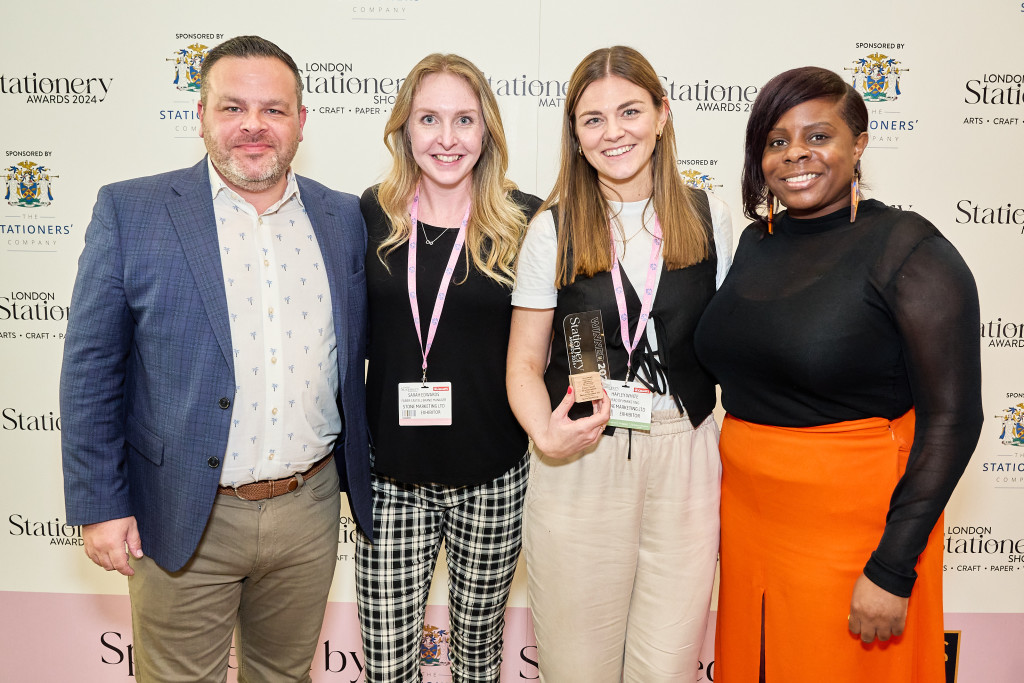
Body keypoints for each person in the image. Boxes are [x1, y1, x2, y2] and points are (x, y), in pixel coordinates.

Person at [60, 35, 372, 682]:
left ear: (302, 121)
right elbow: (91, 371)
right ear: (200, 114)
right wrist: (99, 502)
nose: (253, 125)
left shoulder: (343, 217)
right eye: (233, 107)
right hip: (179, 510)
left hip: (308, 506)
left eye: (273, 109)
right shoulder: (132, 211)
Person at [694, 66, 983, 681]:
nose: (795, 154)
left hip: (855, 533)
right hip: (748, 525)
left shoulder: (907, 248)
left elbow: (954, 419)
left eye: (818, 136)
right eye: (776, 141)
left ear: (859, 142)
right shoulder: (755, 243)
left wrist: (893, 567)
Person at [506, 46, 733, 682]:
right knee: (579, 668)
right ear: (576, 137)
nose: (614, 132)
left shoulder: (710, 215)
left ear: (662, 115)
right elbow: (524, 363)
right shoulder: (552, 229)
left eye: (630, 111)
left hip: (685, 454)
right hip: (582, 457)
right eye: (593, 119)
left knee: (668, 669)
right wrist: (547, 433)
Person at [355, 53, 541, 683]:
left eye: (465, 120)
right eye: (429, 118)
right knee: (385, 664)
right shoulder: (368, 216)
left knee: (478, 658)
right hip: (390, 481)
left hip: (493, 477)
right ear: (404, 127)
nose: (447, 138)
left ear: (487, 129)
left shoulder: (527, 220)